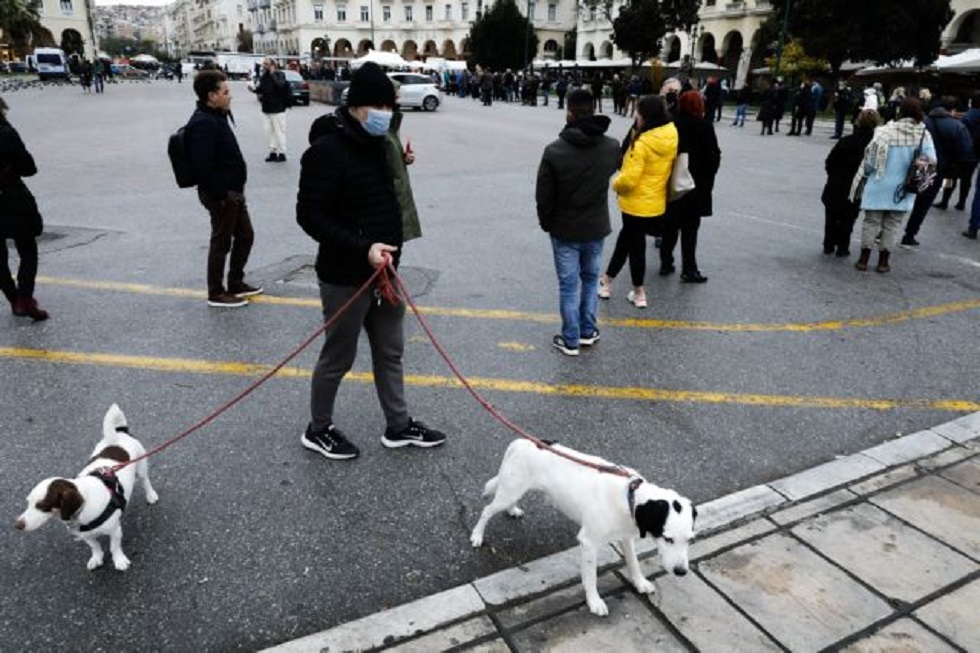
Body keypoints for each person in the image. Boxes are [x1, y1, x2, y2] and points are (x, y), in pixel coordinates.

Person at [296, 62, 446, 461]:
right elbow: (309, 216)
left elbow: (382, 196)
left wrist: (403, 161)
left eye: (391, 104)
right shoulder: (326, 151)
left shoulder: (379, 143)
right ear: (358, 106)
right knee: (338, 357)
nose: (387, 112)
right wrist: (362, 248)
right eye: (380, 104)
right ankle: (318, 428)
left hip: (387, 271)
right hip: (346, 275)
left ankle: (399, 426)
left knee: (391, 351)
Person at [535, 89, 620, 356]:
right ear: (593, 110)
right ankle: (587, 330)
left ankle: (570, 337)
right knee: (591, 279)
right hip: (596, 226)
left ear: (569, 112)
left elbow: (543, 196)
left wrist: (547, 223)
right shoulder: (611, 147)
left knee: (569, 285)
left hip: (565, 228)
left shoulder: (555, 151)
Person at [185, 70, 262, 308]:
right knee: (221, 242)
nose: (230, 96)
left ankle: (236, 282)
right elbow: (202, 167)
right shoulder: (202, 123)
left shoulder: (217, 115)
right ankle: (216, 292)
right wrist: (222, 195)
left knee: (245, 236)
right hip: (223, 195)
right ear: (212, 95)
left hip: (234, 193)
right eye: (225, 92)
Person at [598, 95, 678, 309]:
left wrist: (615, 184)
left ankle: (639, 291)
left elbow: (629, 179)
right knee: (627, 239)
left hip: (636, 203)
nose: (636, 117)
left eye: (638, 113)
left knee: (636, 246)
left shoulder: (643, 144)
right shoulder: (670, 134)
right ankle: (607, 280)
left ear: (646, 116)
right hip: (656, 201)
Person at [850, 98, 936, 273]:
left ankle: (864, 259)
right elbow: (932, 160)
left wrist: (864, 176)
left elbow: (870, 161)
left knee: (871, 222)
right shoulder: (923, 134)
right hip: (904, 187)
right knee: (893, 224)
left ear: (900, 112)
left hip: (879, 184)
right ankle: (883, 261)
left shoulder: (883, 131)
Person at [659, 91, 721, 283]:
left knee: (670, 225)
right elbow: (713, 156)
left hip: (673, 182)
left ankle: (666, 262)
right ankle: (689, 268)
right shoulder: (704, 126)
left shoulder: (672, 125)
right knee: (690, 228)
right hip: (696, 184)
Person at [900, 95, 974, 249]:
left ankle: (886, 231)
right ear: (952, 110)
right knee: (923, 204)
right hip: (941, 169)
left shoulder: (924, 122)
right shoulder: (957, 127)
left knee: (905, 197)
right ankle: (910, 234)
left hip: (918, 165)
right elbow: (965, 152)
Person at [0, 97, 48, 320]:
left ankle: (14, 299)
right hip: (12, 197)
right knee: (27, 248)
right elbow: (29, 168)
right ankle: (25, 298)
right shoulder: (6, 134)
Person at [821, 109, 879, 257]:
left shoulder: (845, 141)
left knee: (831, 216)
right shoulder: (875, 146)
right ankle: (842, 246)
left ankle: (828, 244)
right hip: (858, 186)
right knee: (848, 219)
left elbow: (830, 162)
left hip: (837, 183)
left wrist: (833, 175)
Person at [935, 93, 980, 212]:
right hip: (974, 154)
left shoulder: (967, 117)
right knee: (967, 179)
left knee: (950, 177)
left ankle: (944, 200)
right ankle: (962, 202)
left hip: (959, 153)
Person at [252, 58, 290, 162]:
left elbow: (281, 86)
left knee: (279, 132)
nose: (264, 66)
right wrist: (254, 90)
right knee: (269, 132)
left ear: (273, 65)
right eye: (264, 64)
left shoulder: (279, 74)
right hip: (267, 108)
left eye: (267, 64)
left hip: (278, 108)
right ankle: (273, 152)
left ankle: (282, 153)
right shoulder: (264, 76)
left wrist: (273, 74)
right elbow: (262, 89)